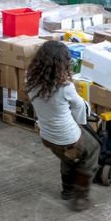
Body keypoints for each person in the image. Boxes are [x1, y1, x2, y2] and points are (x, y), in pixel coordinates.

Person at [26, 41, 100, 211]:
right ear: (62, 63)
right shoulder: (65, 87)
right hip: (67, 136)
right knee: (91, 150)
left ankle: (67, 191)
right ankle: (81, 197)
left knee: (68, 156)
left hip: (47, 136)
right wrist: (82, 125)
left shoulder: (29, 79)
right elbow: (80, 108)